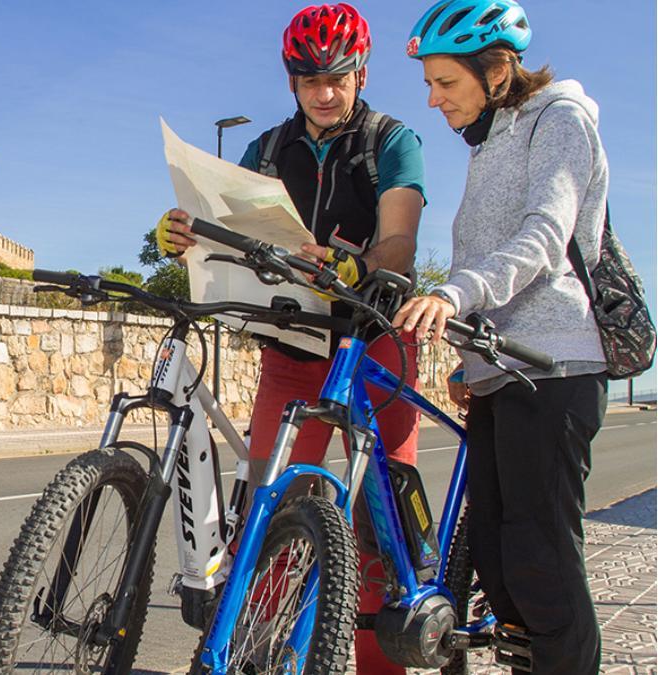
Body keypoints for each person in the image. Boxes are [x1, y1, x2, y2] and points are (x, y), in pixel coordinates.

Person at [158, 4, 426, 673]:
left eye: (336, 76)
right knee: (270, 510)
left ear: (360, 72)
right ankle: (253, 651)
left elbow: (400, 238)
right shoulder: (269, 149)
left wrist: (358, 267)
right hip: (294, 346)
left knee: (380, 517)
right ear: (291, 80)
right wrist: (186, 233)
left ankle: (380, 664)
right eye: (309, 79)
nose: (325, 91)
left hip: (374, 344)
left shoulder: (392, 140)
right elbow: (226, 222)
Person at [393, 1, 608, 673]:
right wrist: (469, 358)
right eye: (429, 84)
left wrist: (452, 295)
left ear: (495, 69)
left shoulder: (559, 119)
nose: (433, 100)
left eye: (445, 83)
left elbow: (543, 237)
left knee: (540, 559)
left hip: (554, 365)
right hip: (499, 370)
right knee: (496, 559)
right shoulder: (494, 138)